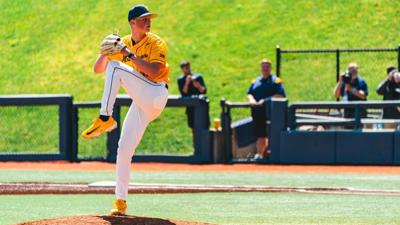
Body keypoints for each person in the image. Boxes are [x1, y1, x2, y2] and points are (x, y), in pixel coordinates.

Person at [81, 4, 169, 215]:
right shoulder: (125, 43)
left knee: (116, 68)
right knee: (123, 149)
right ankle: (120, 203)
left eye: (149, 18)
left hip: (156, 94)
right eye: (143, 18)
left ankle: (105, 118)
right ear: (132, 23)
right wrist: (104, 52)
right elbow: (98, 69)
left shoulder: (155, 42)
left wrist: (127, 54)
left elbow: (155, 71)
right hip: (142, 102)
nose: (148, 21)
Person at [247, 59, 286, 160]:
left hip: (271, 112)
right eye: (263, 66)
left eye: (267, 66)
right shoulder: (255, 81)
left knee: (271, 133)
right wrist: (251, 100)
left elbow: (280, 95)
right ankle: (260, 154)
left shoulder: (276, 81)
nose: (265, 69)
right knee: (260, 134)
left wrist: (265, 101)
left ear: (270, 68)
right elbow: (249, 93)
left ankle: (268, 155)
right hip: (257, 112)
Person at [177, 60, 208, 130]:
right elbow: (183, 93)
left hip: (201, 105)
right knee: (193, 127)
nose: (187, 69)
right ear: (182, 69)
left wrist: (198, 85)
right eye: (185, 68)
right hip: (190, 107)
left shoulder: (198, 77)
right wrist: (187, 83)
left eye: (188, 67)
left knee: (205, 126)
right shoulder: (181, 80)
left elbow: (204, 91)